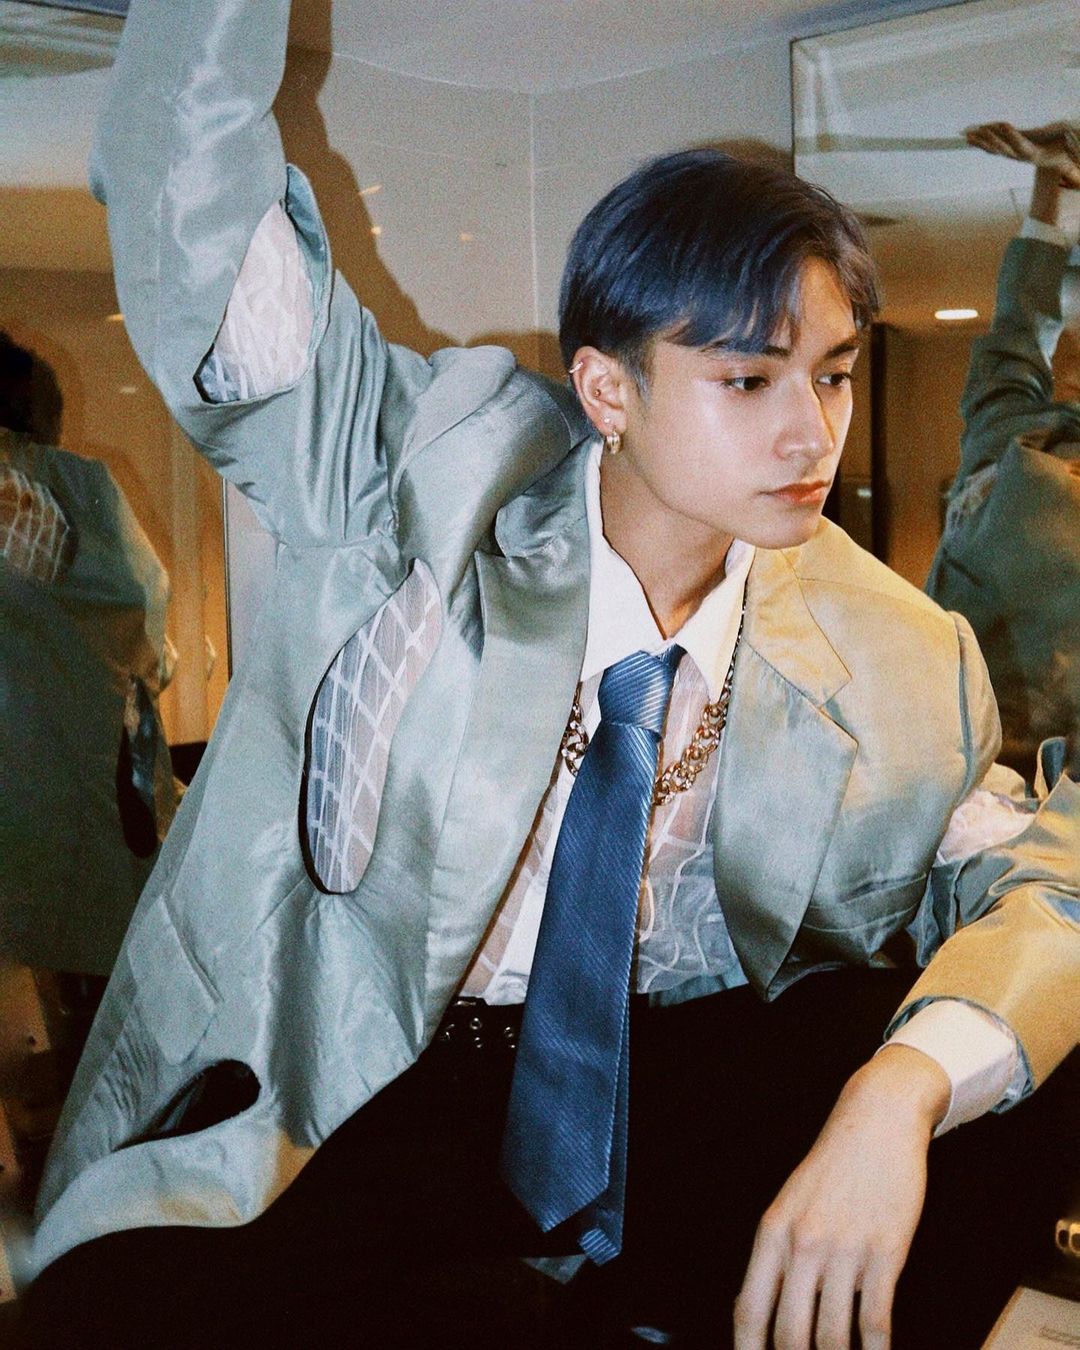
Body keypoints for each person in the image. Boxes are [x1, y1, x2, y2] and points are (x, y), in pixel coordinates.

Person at [14, 4, 1080, 1348]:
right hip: (373, 1065)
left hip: (681, 1071)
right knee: (114, 1319)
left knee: (1017, 1049)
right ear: (608, 388)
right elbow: (195, 208)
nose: (811, 433)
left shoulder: (895, 642)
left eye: (833, 376)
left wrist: (899, 1095)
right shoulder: (416, 473)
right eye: (748, 380)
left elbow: (1048, 881)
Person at [927, 121, 1080, 782]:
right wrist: (1051, 180)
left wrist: (1053, 180)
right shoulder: (1009, 424)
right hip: (977, 750)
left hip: (1010, 758)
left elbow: (1023, 324)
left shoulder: (1010, 426)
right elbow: (1021, 323)